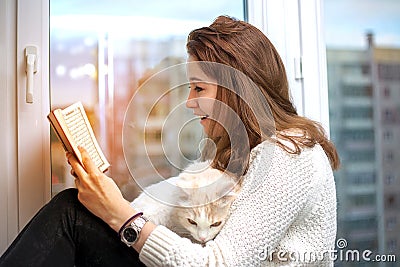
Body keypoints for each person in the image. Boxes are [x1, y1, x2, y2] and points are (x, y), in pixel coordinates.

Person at [0, 15, 340, 266]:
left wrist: (122, 218)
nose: (189, 101)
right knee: (76, 208)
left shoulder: (290, 155)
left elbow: (219, 264)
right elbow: (165, 202)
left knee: (69, 215)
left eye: (199, 88)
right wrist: (106, 200)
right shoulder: (226, 152)